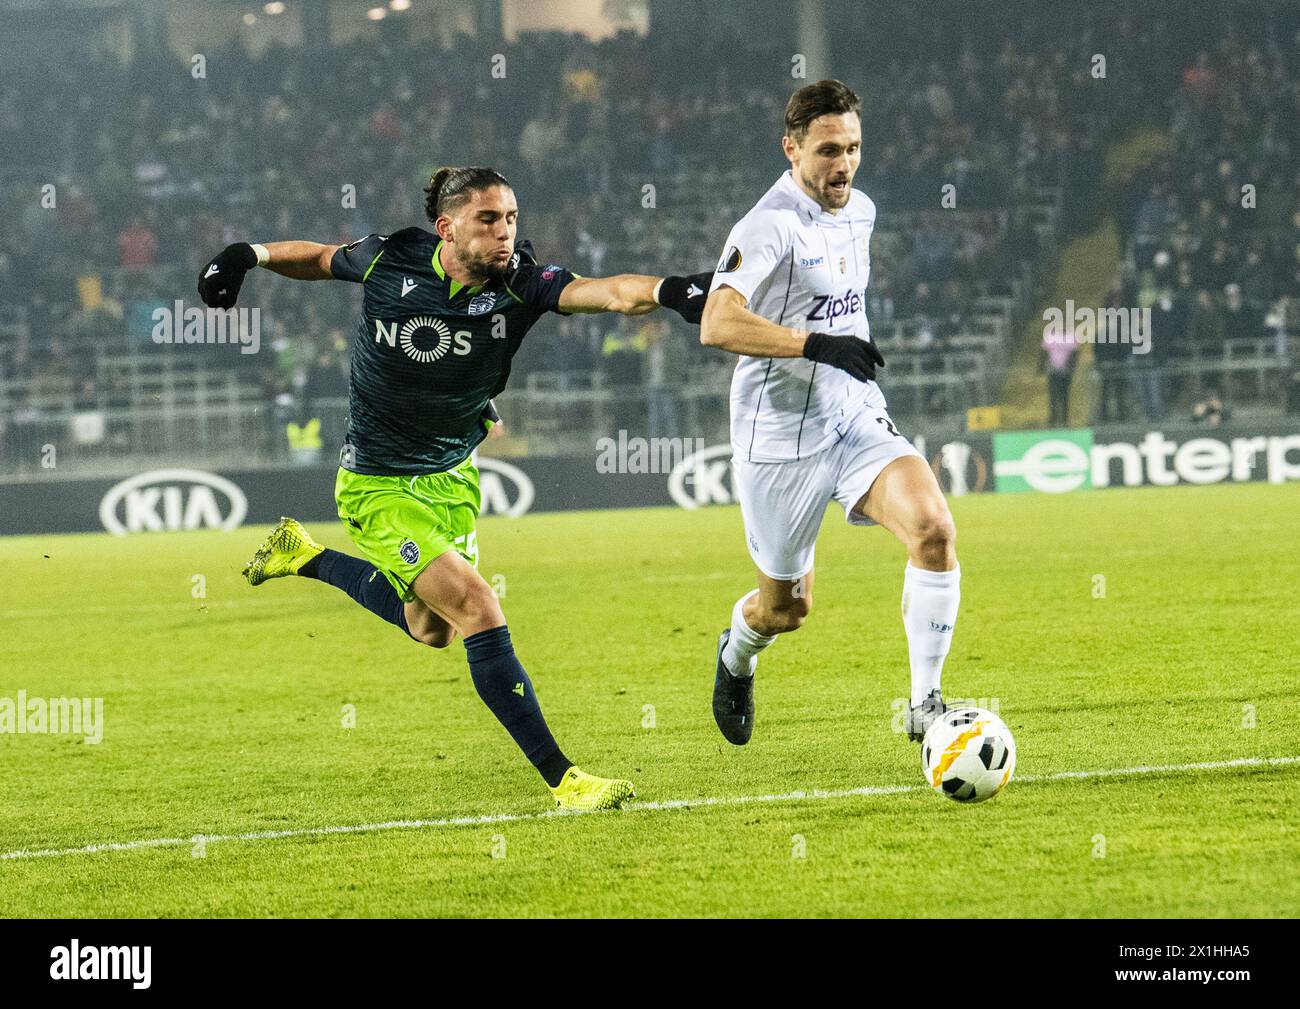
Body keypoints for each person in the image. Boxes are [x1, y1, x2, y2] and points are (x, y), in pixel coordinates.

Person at [197, 166, 710, 810]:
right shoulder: (392, 258)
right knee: (476, 607)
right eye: (489, 220)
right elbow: (322, 258)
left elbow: (608, 293)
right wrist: (248, 256)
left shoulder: (523, 282)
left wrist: (672, 291)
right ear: (447, 228)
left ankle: (305, 556)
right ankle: (565, 780)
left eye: (512, 219)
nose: (505, 234)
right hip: (377, 484)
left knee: (430, 628)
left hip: (453, 475)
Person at [698, 81, 960, 747]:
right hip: (779, 436)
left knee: (933, 530)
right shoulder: (767, 225)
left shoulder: (861, 211)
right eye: (826, 151)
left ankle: (925, 704)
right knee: (788, 610)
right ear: (791, 148)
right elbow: (717, 321)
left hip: (853, 416)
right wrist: (814, 345)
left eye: (852, 149)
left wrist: (844, 352)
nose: (842, 164)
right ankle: (737, 654)